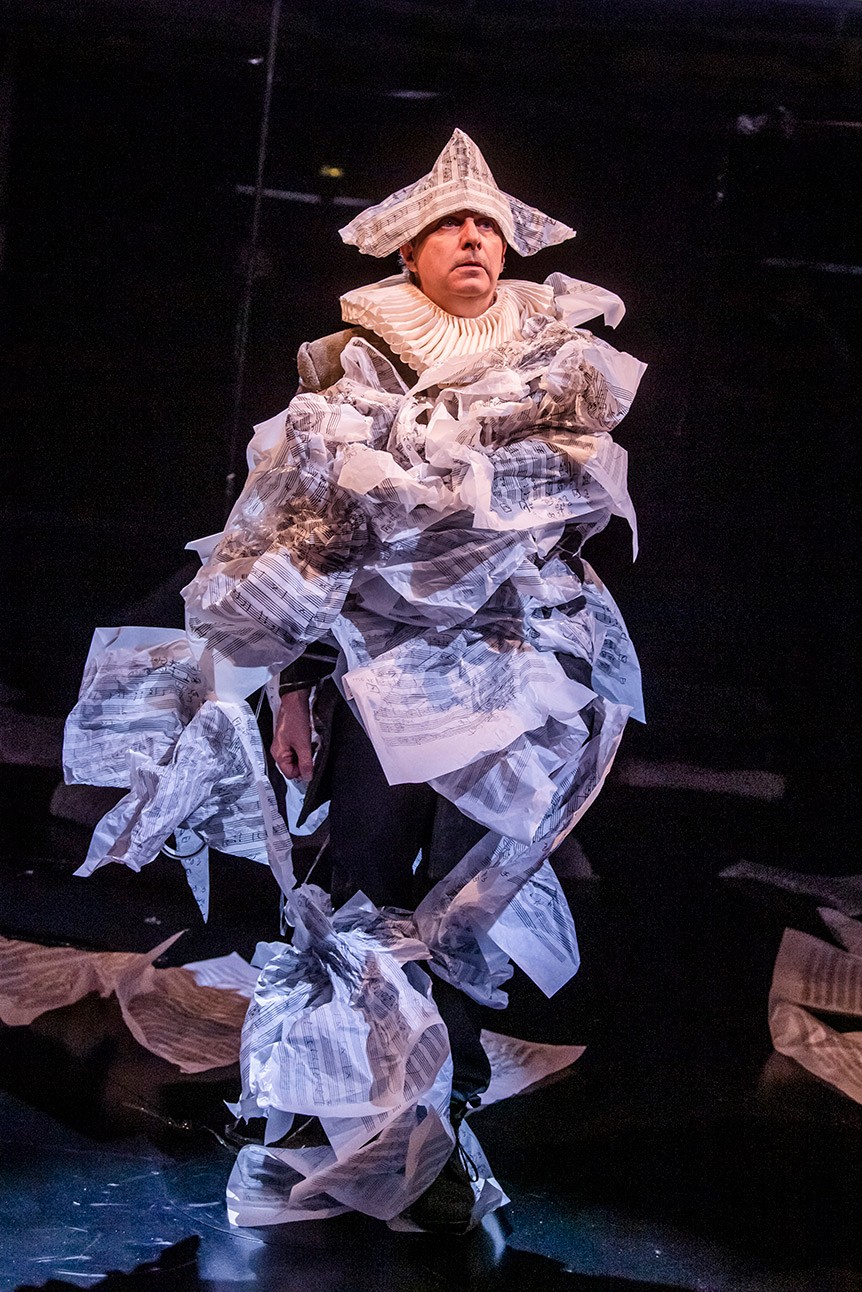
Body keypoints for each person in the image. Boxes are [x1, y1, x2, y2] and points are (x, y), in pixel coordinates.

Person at [68, 129, 646, 1234]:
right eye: (447, 226)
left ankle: (443, 1099)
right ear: (410, 256)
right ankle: (345, 1095)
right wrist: (291, 686)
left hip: (508, 664)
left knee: (472, 883)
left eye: (486, 225)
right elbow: (299, 537)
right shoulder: (345, 362)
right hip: (385, 676)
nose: (472, 238)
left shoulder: (559, 362)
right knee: (369, 864)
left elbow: (574, 518)